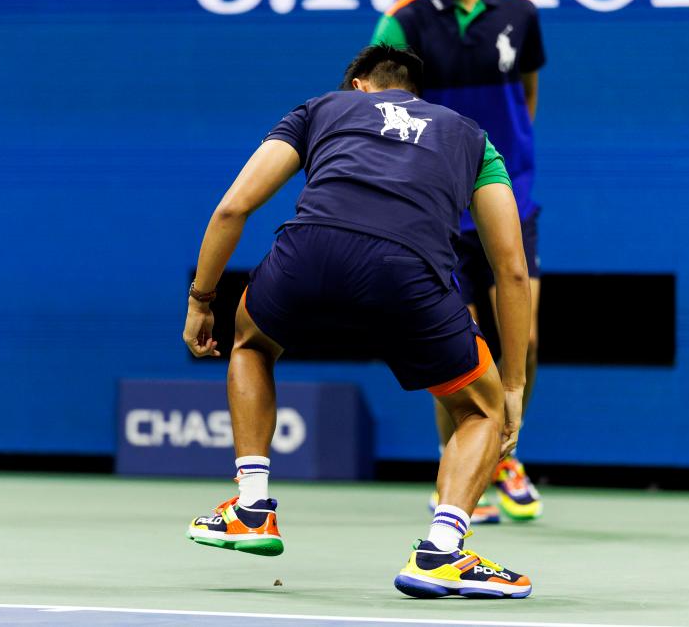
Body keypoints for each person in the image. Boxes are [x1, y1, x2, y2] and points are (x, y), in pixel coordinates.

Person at [183, 45, 533, 599]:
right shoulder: (469, 137)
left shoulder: (321, 108)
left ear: (358, 86)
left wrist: (202, 301)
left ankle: (251, 506)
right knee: (481, 409)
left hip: (309, 256)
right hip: (408, 274)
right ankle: (442, 549)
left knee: (250, 342)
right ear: (415, 94)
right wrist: (512, 384)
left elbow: (232, 208)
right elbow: (511, 270)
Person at [372, 0, 545, 523]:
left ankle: (501, 456)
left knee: (526, 339)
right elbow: (378, 106)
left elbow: (526, 96)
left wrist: (503, 165)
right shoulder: (404, 18)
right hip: (438, 202)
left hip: (508, 190)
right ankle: (457, 466)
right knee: (459, 347)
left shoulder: (520, 12)